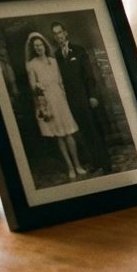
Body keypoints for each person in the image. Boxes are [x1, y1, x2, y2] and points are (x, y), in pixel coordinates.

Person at [23, 32, 88, 180]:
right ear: (33, 49)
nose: (39, 48)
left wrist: (65, 97)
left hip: (60, 98)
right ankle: (70, 167)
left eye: (40, 45)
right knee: (59, 135)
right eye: (36, 46)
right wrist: (38, 87)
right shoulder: (31, 65)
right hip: (47, 100)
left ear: (44, 46)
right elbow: (32, 85)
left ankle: (78, 165)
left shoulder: (53, 61)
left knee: (69, 132)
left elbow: (60, 82)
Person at [50, 21, 113, 173]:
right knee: (83, 134)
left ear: (65, 33)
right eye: (55, 34)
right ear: (54, 37)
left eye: (60, 32)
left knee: (94, 130)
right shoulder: (56, 57)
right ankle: (95, 163)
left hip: (86, 99)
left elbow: (88, 76)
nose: (59, 36)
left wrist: (92, 96)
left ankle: (106, 164)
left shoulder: (79, 50)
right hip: (70, 102)